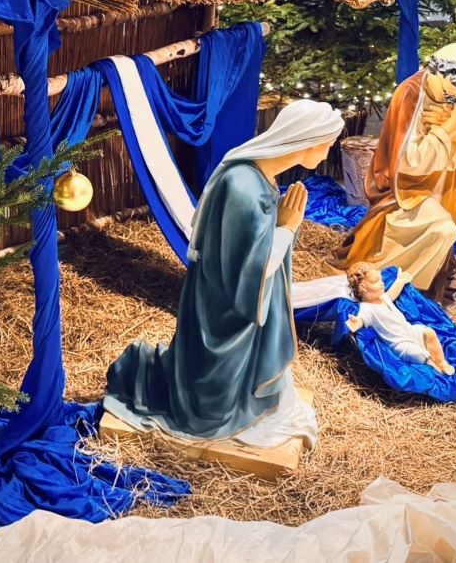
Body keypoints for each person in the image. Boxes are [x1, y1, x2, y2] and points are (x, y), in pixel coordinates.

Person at [104, 100, 344, 447]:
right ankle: (152, 379)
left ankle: (248, 398)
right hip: (223, 310)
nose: (327, 152)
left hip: (239, 306)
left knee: (268, 403)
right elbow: (249, 271)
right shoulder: (242, 186)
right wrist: (288, 228)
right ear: (307, 140)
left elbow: (254, 252)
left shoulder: (261, 176)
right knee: (208, 413)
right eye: (327, 143)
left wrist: (280, 226)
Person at [335, 43, 456, 299]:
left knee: (444, 227)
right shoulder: (411, 94)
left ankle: (423, 282)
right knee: (441, 229)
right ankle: (396, 285)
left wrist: (455, 127)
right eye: (451, 96)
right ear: (438, 75)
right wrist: (447, 129)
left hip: (442, 180)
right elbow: (409, 162)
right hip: (402, 187)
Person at [345, 263, 454, 375]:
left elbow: (392, 293)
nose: (382, 283)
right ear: (362, 287)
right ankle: (437, 369)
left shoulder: (383, 298)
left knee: (429, 332)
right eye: (375, 281)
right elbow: (362, 319)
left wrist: (400, 281)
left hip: (409, 331)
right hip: (399, 344)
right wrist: (356, 322)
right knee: (418, 353)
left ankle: (442, 362)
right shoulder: (367, 308)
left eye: (381, 279)